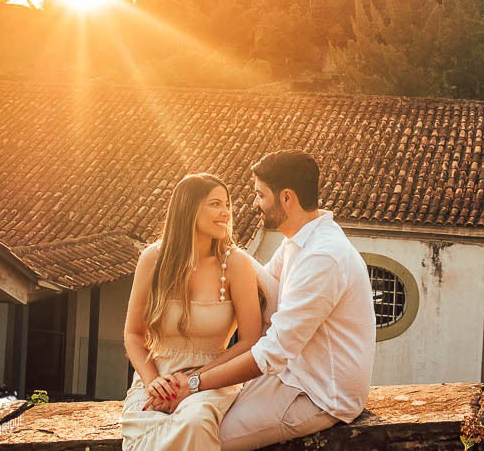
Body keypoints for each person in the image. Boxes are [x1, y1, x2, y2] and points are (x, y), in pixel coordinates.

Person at [153, 150, 376, 450]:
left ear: (286, 198)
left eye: (260, 195)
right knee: (190, 415)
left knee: (198, 436)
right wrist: (214, 240)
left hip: (321, 393)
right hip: (292, 374)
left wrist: (193, 383)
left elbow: (274, 350)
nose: (254, 203)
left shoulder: (322, 257)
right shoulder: (297, 242)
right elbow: (266, 296)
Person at [120, 173, 267, 451]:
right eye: (215, 204)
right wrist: (154, 382)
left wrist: (193, 381)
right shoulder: (152, 259)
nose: (226, 213)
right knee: (146, 426)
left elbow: (250, 340)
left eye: (227, 205)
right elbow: (132, 334)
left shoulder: (237, 264)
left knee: (195, 420)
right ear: (189, 208)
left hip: (214, 378)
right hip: (159, 376)